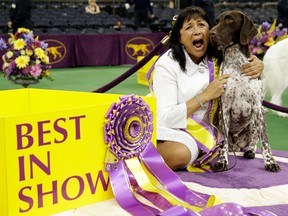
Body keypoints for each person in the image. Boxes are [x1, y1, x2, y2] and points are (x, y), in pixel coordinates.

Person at [151, 7, 264, 171]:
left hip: (210, 132)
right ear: (180, 38)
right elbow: (164, 118)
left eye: (201, 25)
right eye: (189, 27)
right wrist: (204, 96)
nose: (197, 31)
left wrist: (259, 65)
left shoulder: (219, 54)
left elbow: (247, 63)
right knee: (179, 155)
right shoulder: (167, 64)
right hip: (175, 128)